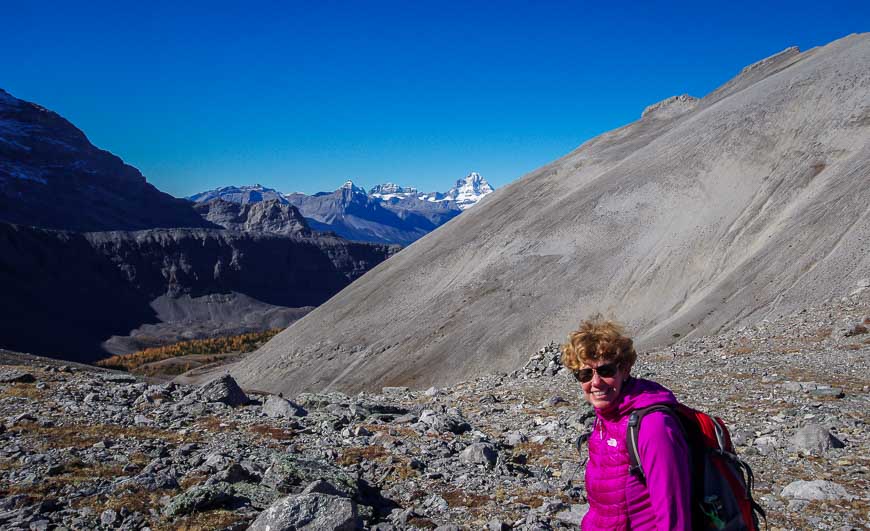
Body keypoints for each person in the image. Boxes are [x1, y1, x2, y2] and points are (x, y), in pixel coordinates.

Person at [562, 317, 691, 530]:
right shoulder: (606, 416)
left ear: (624, 369)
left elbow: (674, 519)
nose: (595, 383)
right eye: (585, 374)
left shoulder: (653, 426)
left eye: (605, 371)